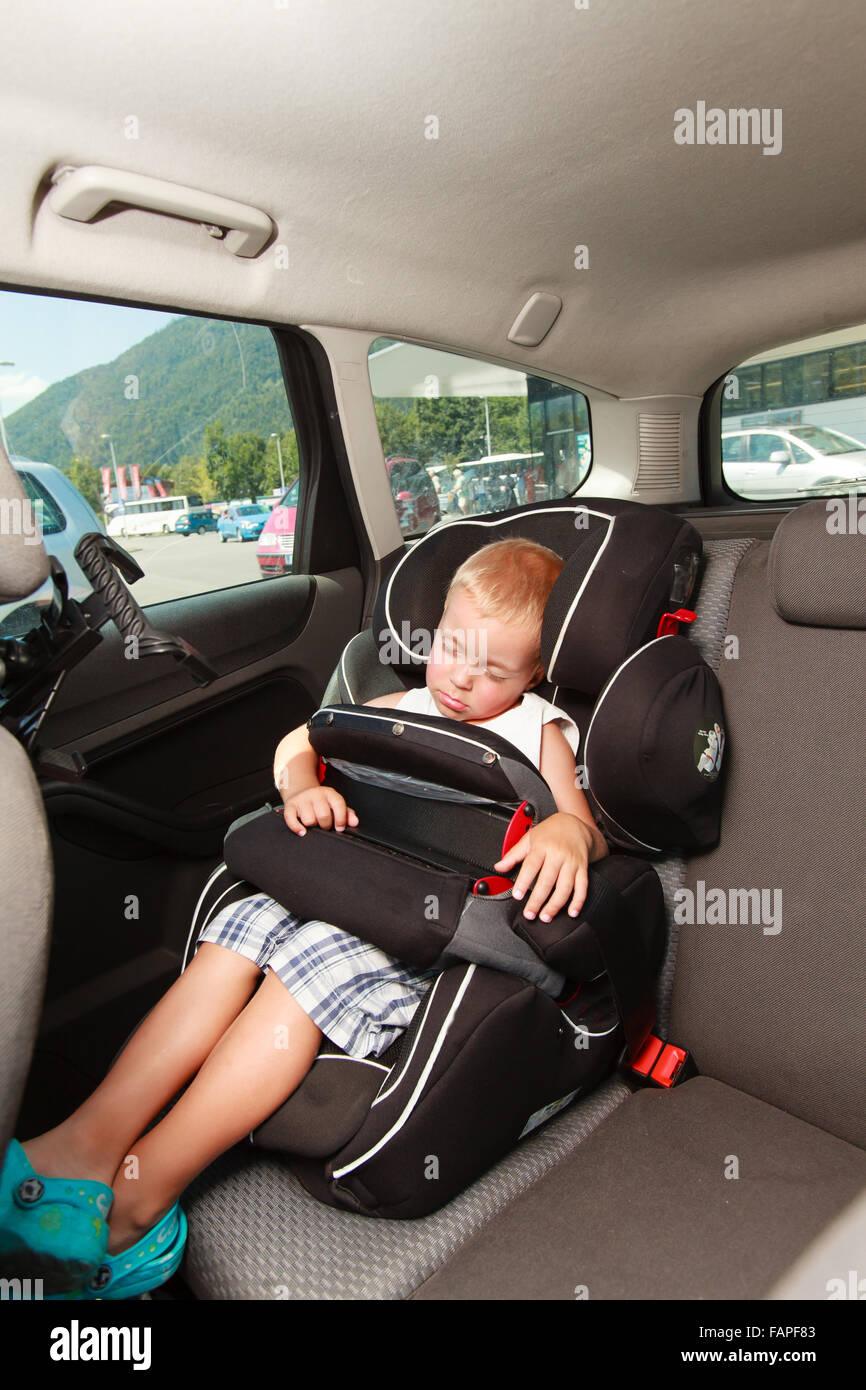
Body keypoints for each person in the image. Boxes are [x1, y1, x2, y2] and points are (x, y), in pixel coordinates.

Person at [4, 537, 608, 1296]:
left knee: (304, 966)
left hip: (432, 931)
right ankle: (84, 1143)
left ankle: (139, 1196)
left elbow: (587, 828)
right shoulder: (404, 704)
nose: (460, 679)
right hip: (350, 883)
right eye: (452, 648)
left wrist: (564, 832)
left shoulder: (536, 731)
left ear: (534, 672)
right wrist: (300, 786)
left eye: (494, 670)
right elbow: (303, 738)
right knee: (237, 935)